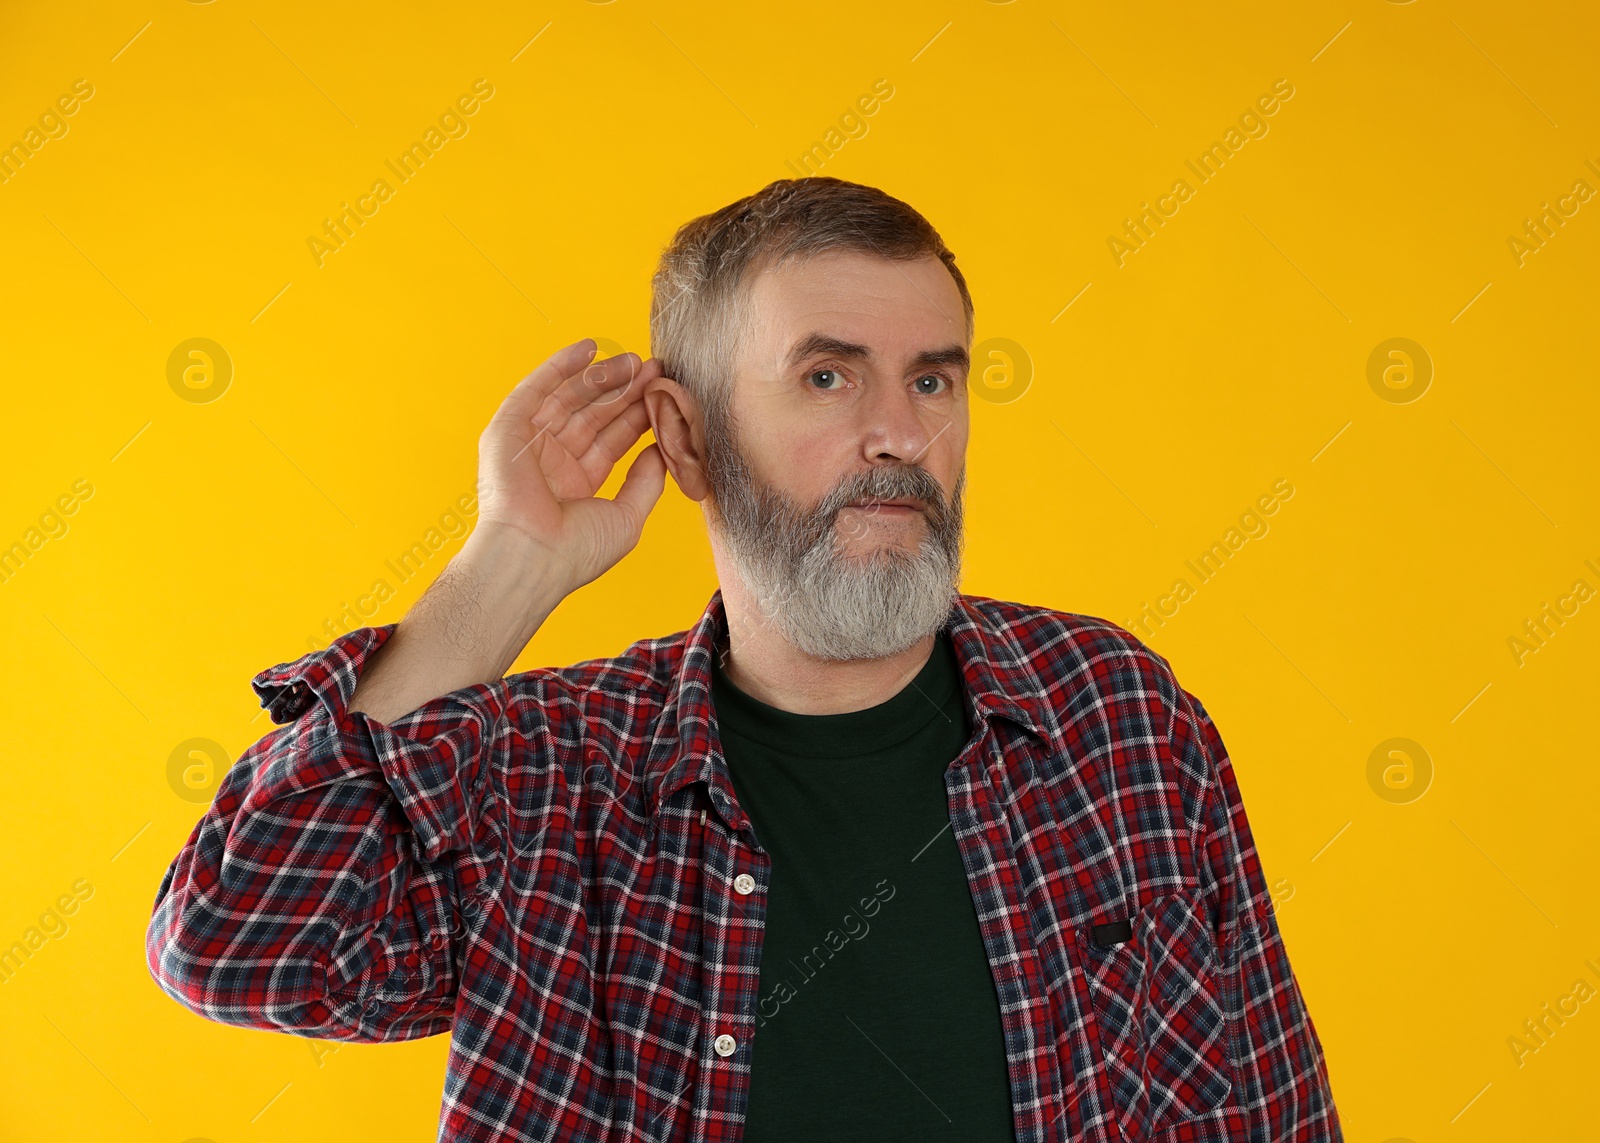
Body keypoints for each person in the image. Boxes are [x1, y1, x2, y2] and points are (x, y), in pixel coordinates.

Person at [146, 176, 1342, 1142]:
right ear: (687, 436)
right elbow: (243, 939)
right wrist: (507, 567)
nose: (900, 433)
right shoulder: (546, 773)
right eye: (827, 377)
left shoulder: (1115, 712)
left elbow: (1270, 1105)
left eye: (933, 379)